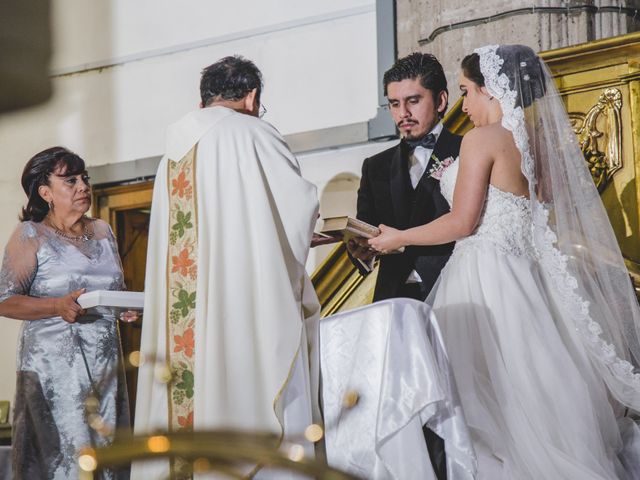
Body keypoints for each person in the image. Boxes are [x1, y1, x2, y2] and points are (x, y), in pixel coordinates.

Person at [370, 44, 640, 478]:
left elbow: (461, 222)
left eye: (466, 92)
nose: (464, 105)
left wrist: (399, 237)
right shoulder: (535, 141)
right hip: (528, 274)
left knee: (481, 400)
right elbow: (544, 206)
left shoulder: (481, 140)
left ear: (490, 90)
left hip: (484, 274)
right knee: (532, 390)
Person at [132, 56, 321, 478]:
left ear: (204, 99)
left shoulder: (170, 157)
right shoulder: (252, 133)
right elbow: (299, 209)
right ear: (251, 97)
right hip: (241, 308)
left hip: (187, 329)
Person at [0, 147, 131, 479]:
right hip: (55, 372)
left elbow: (113, 290)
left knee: (110, 456)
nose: (83, 186)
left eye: (84, 178)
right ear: (45, 192)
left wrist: (125, 308)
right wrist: (56, 306)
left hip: (105, 368)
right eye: (70, 180)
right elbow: (4, 300)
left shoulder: (103, 231)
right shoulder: (30, 234)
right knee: (69, 460)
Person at [350, 52, 462, 303]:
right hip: (394, 297)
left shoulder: (467, 151)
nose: (403, 113)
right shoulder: (374, 167)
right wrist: (362, 251)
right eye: (394, 104)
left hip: (456, 289)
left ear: (441, 100)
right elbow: (366, 227)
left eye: (413, 101)